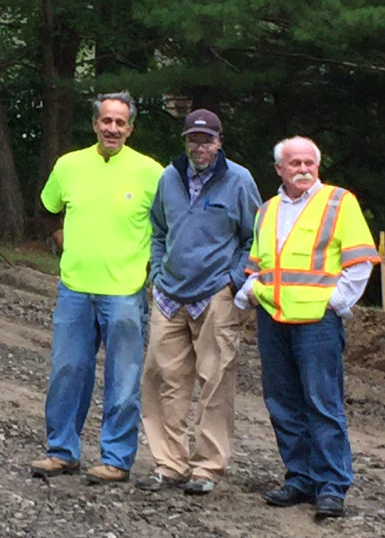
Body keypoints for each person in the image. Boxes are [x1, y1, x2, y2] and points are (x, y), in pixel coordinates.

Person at [234, 136, 379, 518]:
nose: (302, 169)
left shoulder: (337, 201)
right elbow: (258, 263)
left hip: (317, 321)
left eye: (308, 163)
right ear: (279, 169)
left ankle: (331, 485)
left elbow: (360, 261)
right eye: (294, 163)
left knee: (322, 402)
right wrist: (250, 292)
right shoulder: (267, 210)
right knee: (282, 403)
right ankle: (300, 478)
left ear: (317, 167)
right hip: (274, 318)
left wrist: (334, 302)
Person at [30, 92, 164, 484]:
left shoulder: (150, 172)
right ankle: (62, 451)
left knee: (123, 379)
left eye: (120, 123)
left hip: (125, 291)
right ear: (94, 124)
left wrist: (151, 270)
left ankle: (116, 459)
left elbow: (167, 226)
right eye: (106, 121)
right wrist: (61, 241)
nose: (112, 128)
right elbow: (46, 211)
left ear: (130, 128)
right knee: (67, 371)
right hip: (74, 288)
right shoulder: (69, 166)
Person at [137, 109, 261, 495]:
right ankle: (168, 463)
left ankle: (207, 467)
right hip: (170, 294)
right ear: (185, 141)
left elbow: (254, 237)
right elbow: (158, 230)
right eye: (193, 139)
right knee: (161, 379)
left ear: (219, 142)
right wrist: (157, 274)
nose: (199, 146)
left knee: (216, 381)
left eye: (206, 140)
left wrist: (233, 281)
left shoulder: (238, 180)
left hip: (216, 294)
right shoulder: (169, 177)